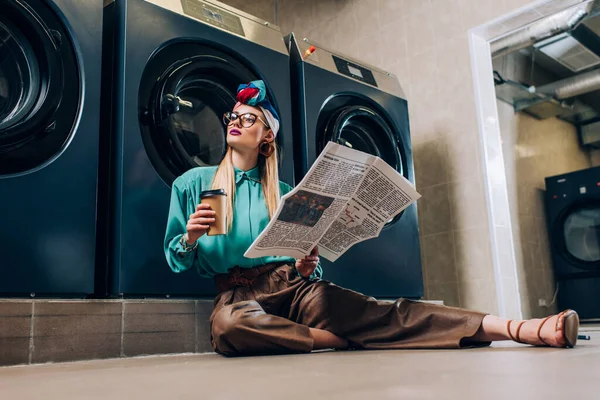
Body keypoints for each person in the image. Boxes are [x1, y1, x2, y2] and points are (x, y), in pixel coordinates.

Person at [164, 80, 580, 356]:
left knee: (385, 311)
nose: (236, 122)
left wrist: (308, 264)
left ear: (267, 136)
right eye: (233, 117)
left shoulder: (286, 192)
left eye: (248, 118)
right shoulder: (193, 183)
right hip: (240, 298)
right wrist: (190, 236)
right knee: (229, 327)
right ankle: (333, 340)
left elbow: (308, 258)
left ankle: (517, 327)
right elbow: (177, 259)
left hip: (292, 288)